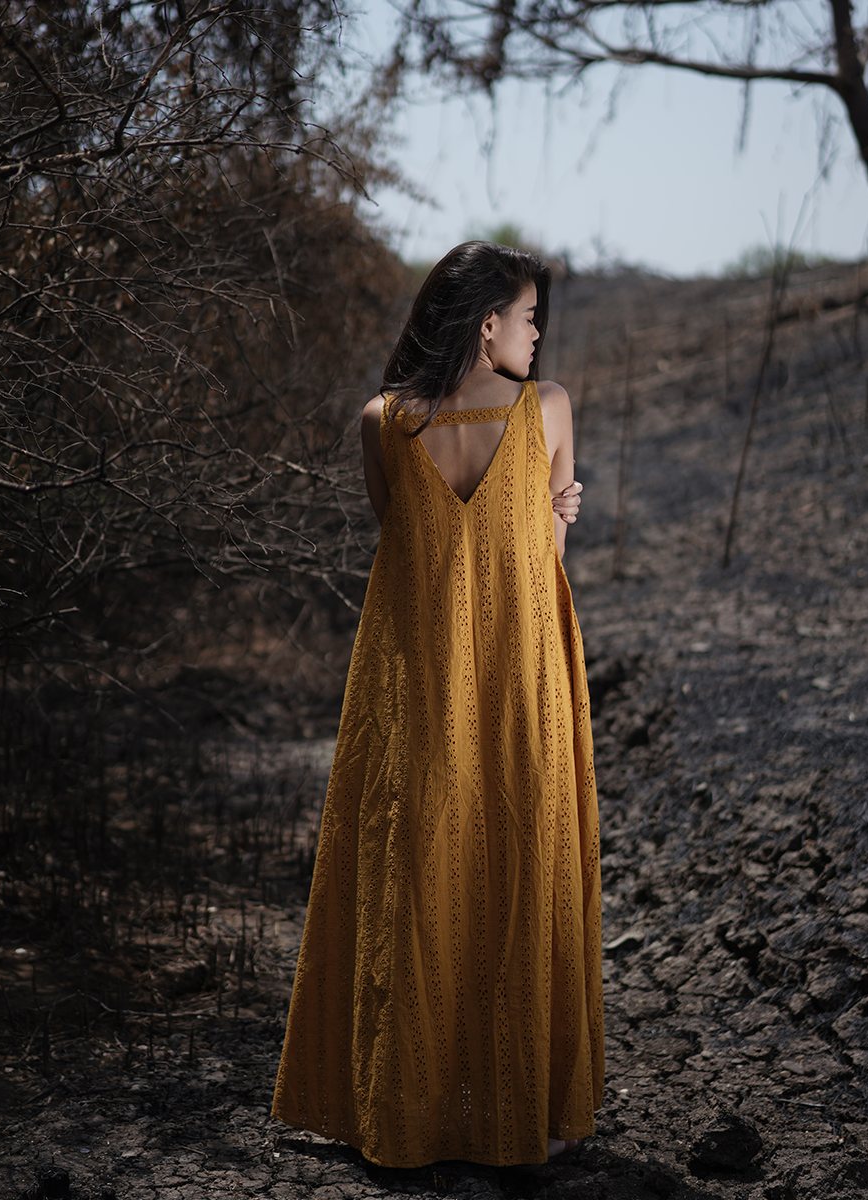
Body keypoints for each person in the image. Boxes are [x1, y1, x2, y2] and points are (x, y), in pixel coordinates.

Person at [271, 242, 603, 1168]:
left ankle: (403, 1122)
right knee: (515, 874)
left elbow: (417, 561)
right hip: (517, 681)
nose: (540, 333)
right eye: (531, 316)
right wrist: (560, 512)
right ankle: (510, 1118)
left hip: (416, 690)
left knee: (416, 884)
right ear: (488, 322)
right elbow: (533, 573)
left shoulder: (383, 422)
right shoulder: (549, 412)